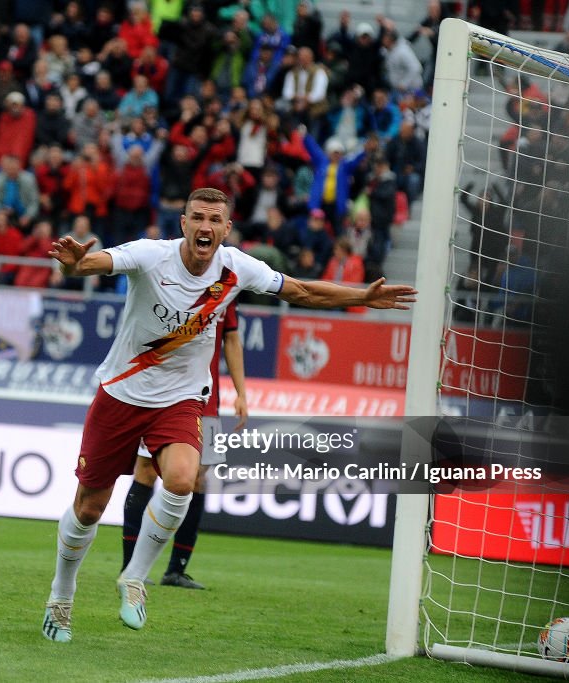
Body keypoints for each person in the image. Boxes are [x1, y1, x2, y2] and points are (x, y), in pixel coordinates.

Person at [42, 187, 416, 642]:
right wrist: (74, 260)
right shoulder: (149, 255)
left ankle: (134, 578)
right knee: (89, 508)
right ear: (182, 223)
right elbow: (90, 263)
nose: (205, 226)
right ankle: (62, 596)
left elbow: (299, 291)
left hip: (181, 398)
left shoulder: (237, 268)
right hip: (122, 393)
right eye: (197, 217)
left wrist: (360, 296)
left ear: (226, 228)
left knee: (182, 480)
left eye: (214, 219)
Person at [121, 299, 247, 589]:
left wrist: (241, 392)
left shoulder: (227, 287)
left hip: (208, 402)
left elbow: (231, 338)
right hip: (160, 397)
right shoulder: (167, 281)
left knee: (199, 480)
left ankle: (176, 570)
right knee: (146, 471)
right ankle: (130, 567)